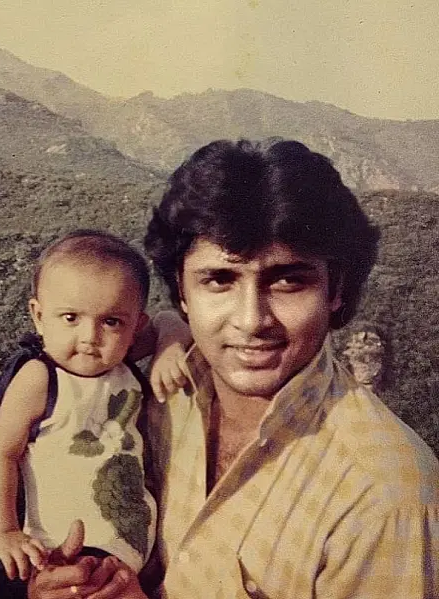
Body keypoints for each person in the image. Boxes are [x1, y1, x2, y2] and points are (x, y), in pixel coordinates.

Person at [30, 139, 439, 598]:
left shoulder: (384, 494)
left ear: (336, 290)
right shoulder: (164, 392)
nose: (251, 320)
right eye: (219, 280)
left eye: (288, 280)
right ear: (183, 293)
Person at [0, 230, 190, 584]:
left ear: (135, 326)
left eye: (111, 321)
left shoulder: (121, 365)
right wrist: (5, 532)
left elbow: (168, 320)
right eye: (70, 318)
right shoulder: (40, 378)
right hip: (65, 546)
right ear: (38, 316)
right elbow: (2, 453)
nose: (89, 337)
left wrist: (170, 345)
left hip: (134, 544)